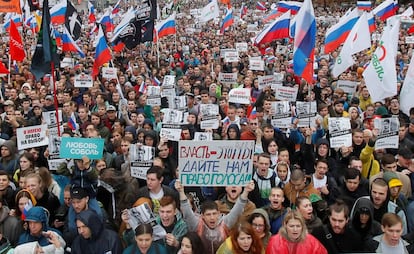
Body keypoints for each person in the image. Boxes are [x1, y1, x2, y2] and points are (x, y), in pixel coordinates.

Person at [175, 180, 255, 254]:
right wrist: (181, 191)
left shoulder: (225, 223)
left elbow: (237, 209)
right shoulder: (197, 224)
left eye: (214, 214)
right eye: (208, 214)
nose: (212, 217)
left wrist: (246, 191)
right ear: (202, 216)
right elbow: (186, 211)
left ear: (219, 213)